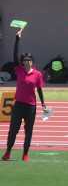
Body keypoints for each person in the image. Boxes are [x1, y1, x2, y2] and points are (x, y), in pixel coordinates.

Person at [2, 28, 48, 162]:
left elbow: (39, 90)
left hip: (30, 107)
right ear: (22, 62)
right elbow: (14, 55)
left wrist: (43, 104)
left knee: (28, 131)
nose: (27, 62)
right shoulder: (19, 70)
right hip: (18, 105)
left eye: (29, 60)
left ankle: (25, 153)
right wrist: (17, 39)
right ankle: (8, 152)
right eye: (25, 60)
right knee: (13, 130)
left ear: (32, 62)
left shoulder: (37, 74)